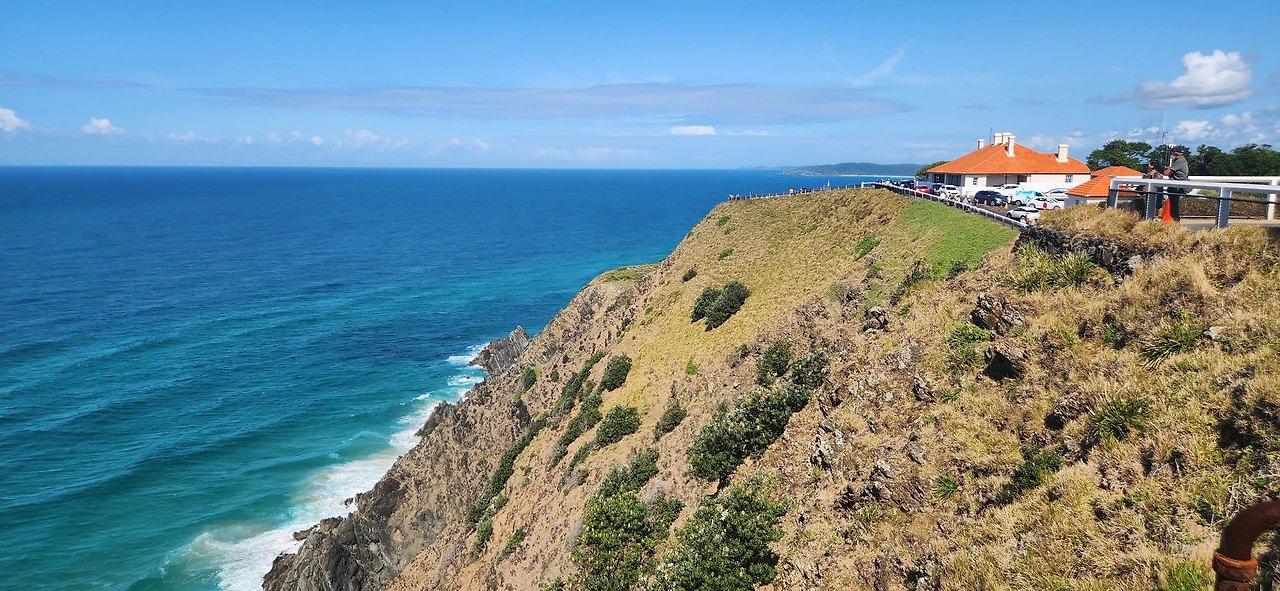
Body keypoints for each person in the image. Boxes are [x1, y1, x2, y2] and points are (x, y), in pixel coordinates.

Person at [1161, 146, 1190, 221]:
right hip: (1177, 185)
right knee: (1173, 204)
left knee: (1174, 205)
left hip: (1177, 186)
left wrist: (1158, 167)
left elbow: (1166, 173)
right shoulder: (1181, 160)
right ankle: (1175, 220)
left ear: (1176, 153)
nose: (1171, 154)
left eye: (1172, 152)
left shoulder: (1179, 161)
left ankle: (1176, 220)